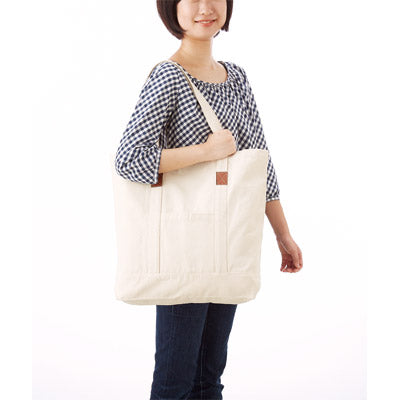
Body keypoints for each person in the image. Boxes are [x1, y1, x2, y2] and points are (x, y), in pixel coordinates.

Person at [115, 0, 303, 398]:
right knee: (174, 382)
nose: (205, 7)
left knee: (209, 377)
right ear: (172, 8)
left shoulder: (236, 77)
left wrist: (282, 234)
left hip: (227, 242)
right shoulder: (168, 76)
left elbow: (259, 163)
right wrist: (206, 152)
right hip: (183, 248)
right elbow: (129, 160)